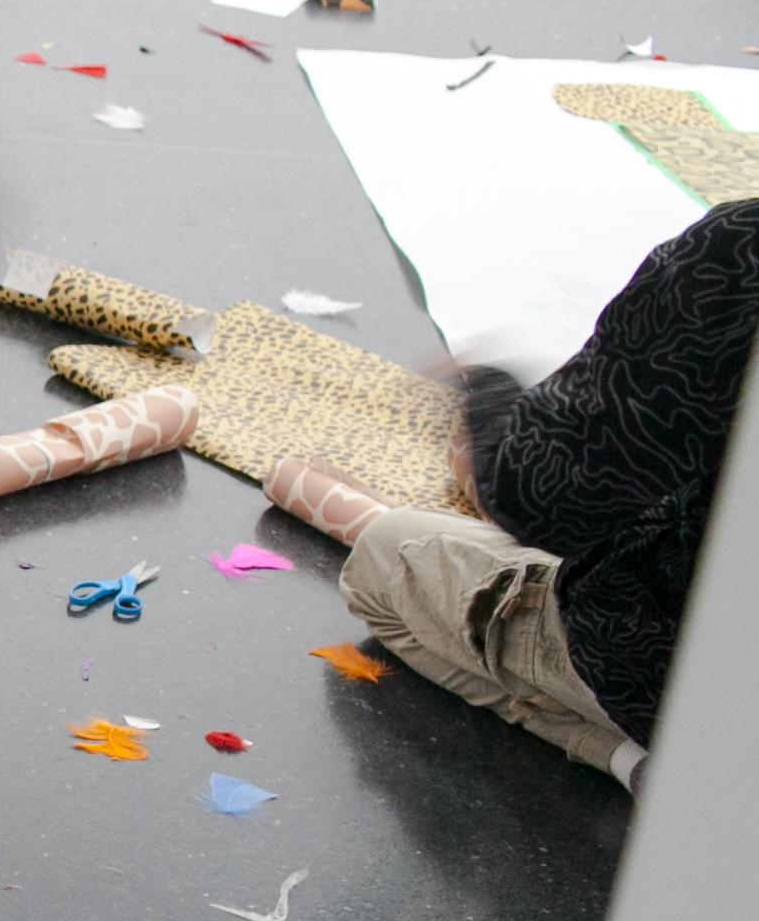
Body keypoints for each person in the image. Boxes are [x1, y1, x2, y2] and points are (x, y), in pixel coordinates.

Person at [264, 207, 759, 788]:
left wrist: (488, 394)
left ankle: (646, 768)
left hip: (706, 696)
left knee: (383, 556)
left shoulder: (739, 255)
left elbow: (539, 495)